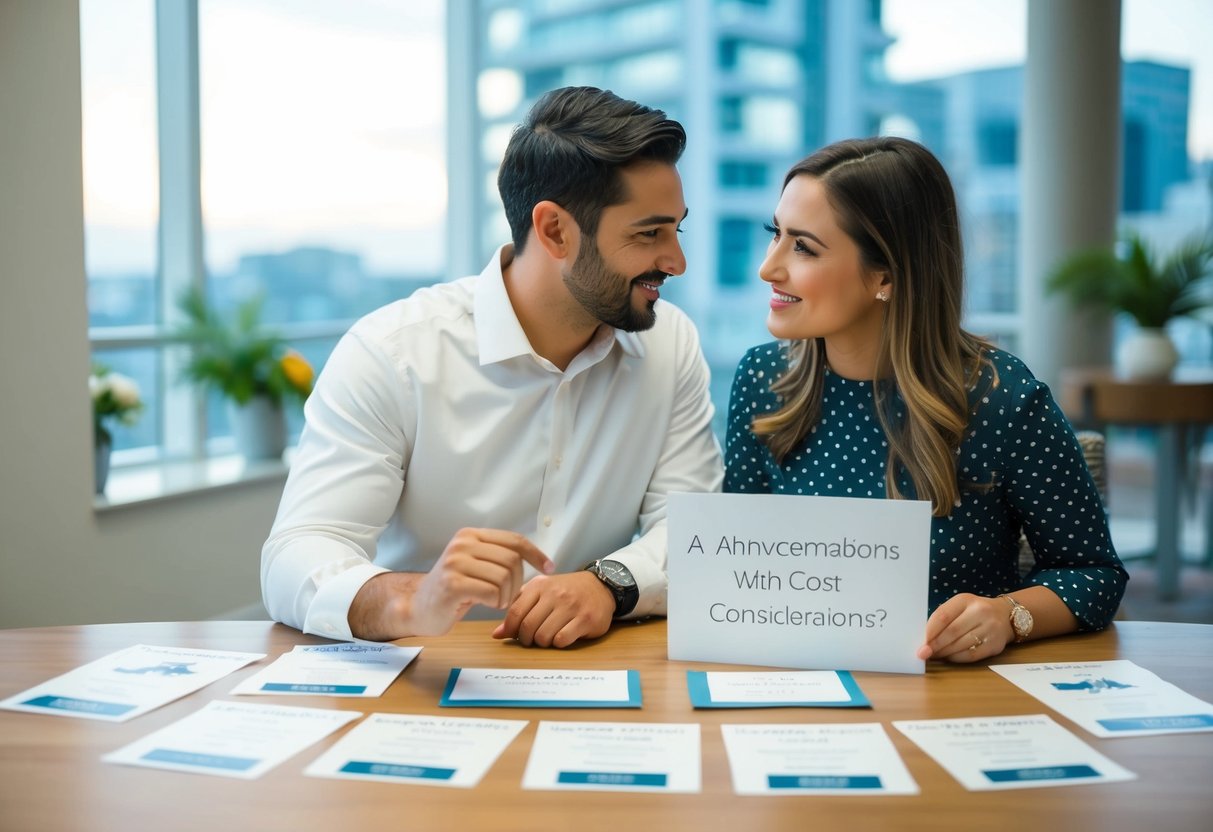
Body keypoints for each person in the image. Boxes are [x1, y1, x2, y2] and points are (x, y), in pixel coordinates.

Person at [263, 86, 723, 648]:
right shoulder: (392, 352)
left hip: (591, 670)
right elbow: (297, 555)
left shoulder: (670, 344)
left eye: (677, 228)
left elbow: (695, 531)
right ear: (554, 230)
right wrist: (415, 599)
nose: (676, 260)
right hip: (421, 676)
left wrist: (608, 584)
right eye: (649, 233)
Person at [723, 136, 1128, 663]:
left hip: (950, 696)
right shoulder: (760, 378)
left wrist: (1008, 615)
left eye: (802, 247)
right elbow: (733, 572)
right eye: (774, 235)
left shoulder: (1003, 399)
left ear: (885, 275)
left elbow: (1094, 574)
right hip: (795, 689)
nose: (768, 267)